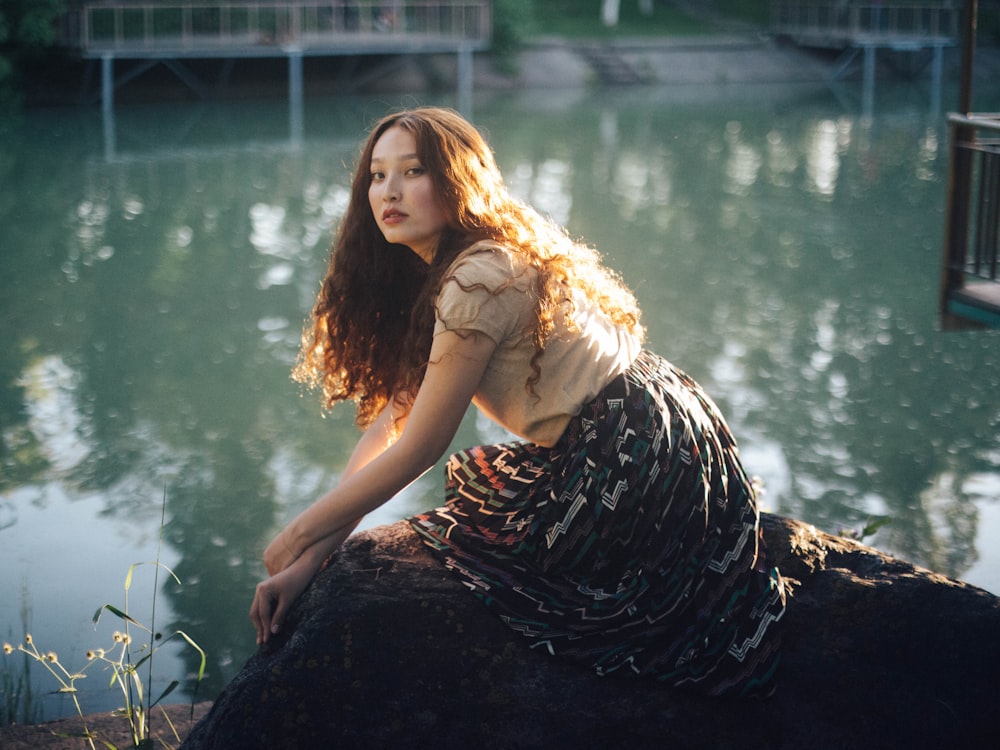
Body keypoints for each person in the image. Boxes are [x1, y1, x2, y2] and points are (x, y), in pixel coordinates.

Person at [250, 106, 788, 697]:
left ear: (457, 181)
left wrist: (298, 534)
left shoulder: (476, 278)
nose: (389, 191)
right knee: (488, 504)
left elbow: (422, 448)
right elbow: (393, 428)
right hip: (648, 424)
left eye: (412, 171)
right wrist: (309, 563)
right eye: (377, 175)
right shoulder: (454, 266)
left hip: (634, 453)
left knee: (506, 555)